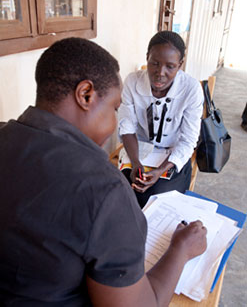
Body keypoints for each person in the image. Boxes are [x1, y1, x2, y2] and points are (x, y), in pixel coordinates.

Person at [0, 37, 207, 306]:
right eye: (114, 109)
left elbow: (188, 138)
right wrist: (180, 249)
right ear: (85, 95)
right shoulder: (104, 191)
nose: (114, 122)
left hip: (168, 157)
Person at [118, 31, 204, 208]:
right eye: (154, 63)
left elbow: (188, 140)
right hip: (137, 152)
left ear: (180, 65)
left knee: (159, 199)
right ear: (147, 58)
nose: (160, 73)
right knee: (124, 192)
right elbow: (126, 127)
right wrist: (135, 163)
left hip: (172, 156)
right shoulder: (132, 82)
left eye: (170, 66)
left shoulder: (191, 89)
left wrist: (160, 170)